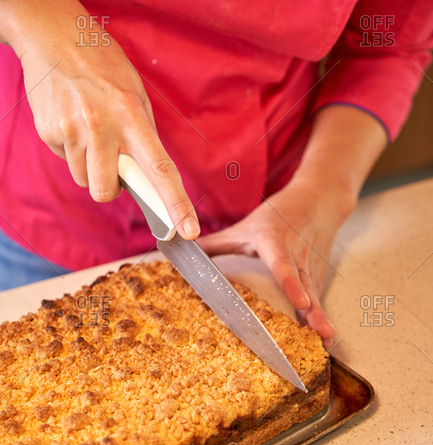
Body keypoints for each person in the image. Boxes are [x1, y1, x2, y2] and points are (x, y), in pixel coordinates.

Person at [0, 1, 432, 349]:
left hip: (260, 229)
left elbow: (387, 44)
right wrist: (43, 25)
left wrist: (322, 190)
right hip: (55, 212)